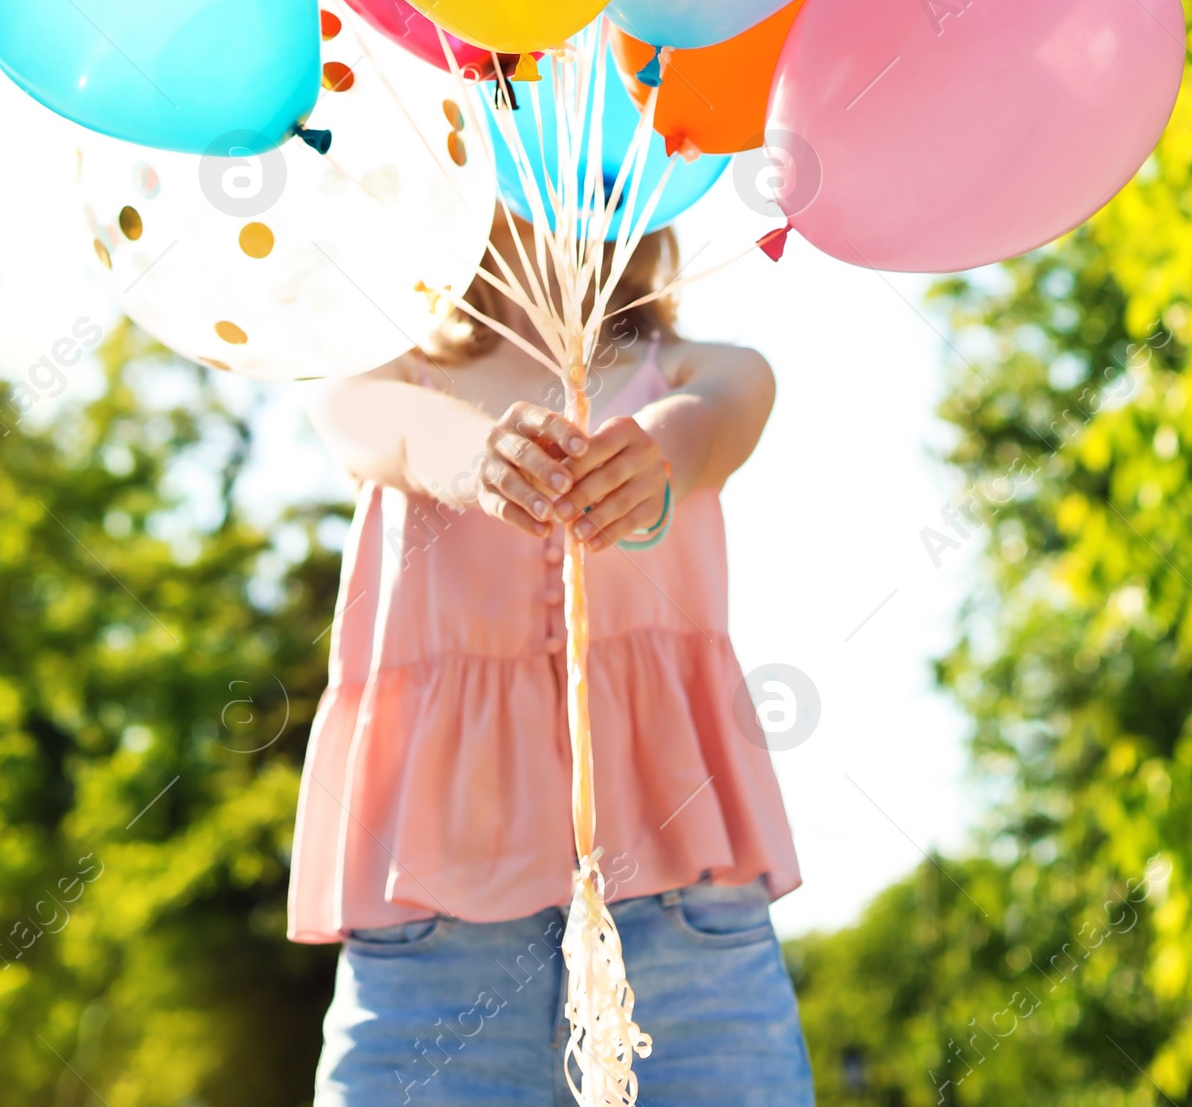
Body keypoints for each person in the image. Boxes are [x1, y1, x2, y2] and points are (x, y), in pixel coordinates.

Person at [291, 206, 814, 1106]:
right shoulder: (382, 373)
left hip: (682, 924)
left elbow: (723, 415)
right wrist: (475, 459)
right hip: (432, 936)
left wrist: (661, 453)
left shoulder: (699, 370)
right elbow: (377, 425)